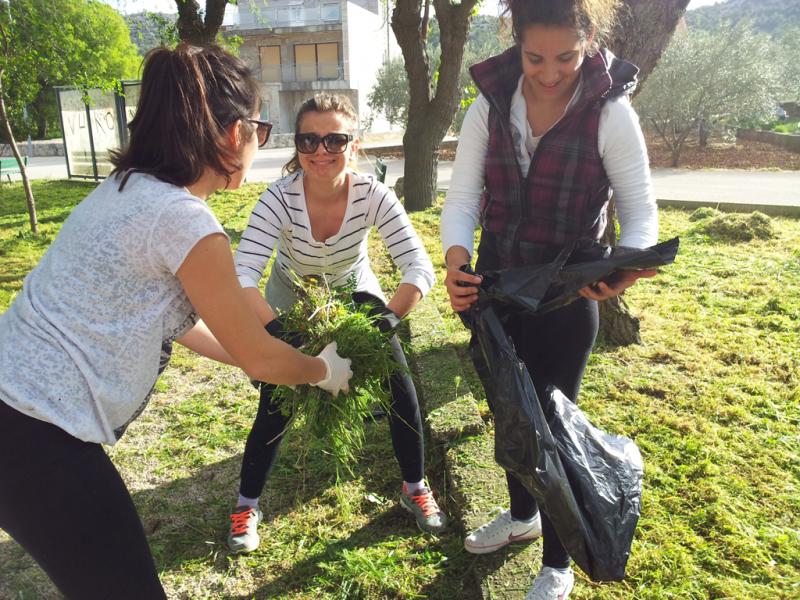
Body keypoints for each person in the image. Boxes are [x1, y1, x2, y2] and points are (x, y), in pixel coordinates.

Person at [0, 44, 353, 600]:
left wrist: (257, 356)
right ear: (232, 133)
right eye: (259, 128)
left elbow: (181, 323)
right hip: (38, 436)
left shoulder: (123, 190)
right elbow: (261, 354)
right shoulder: (184, 220)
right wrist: (321, 370)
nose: (260, 143)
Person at [440, 0, 659, 598]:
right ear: (516, 43)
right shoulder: (491, 102)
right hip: (495, 291)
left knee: (554, 428)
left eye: (566, 56)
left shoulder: (610, 112)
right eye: (535, 57)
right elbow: (462, 199)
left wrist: (622, 271)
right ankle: (522, 517)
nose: (550, 71)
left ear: (589, 40)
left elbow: (640, 217)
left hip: (567, 297)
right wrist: (457, 260)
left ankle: (558, 563)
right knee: (509, 415)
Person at [228, 93, 447, 553]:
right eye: (309, 139)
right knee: (276, 396)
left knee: (399, 384)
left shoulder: (373, 194)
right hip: (290, 297)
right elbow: (243, 273)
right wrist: (281, 335)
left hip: (355, 292)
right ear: (297, 144)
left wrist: (386, 322)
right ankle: (247, 505)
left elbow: (419, 269)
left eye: (335, 139)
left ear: (355, 144)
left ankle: (415, 487)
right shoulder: (279, 197)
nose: (321, 150)